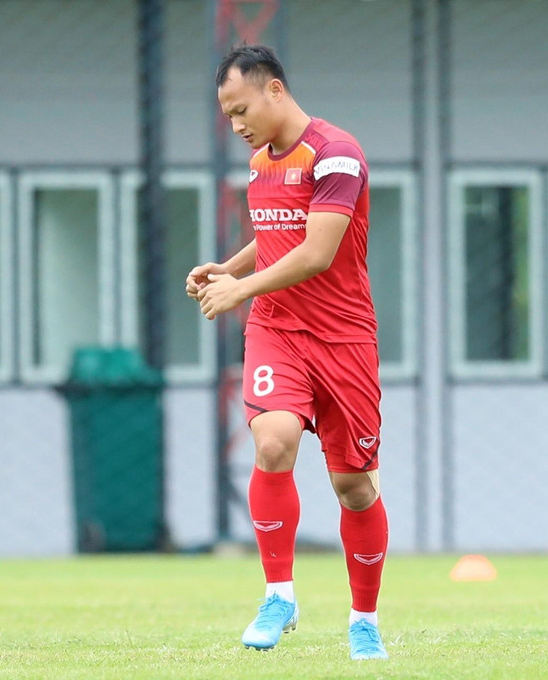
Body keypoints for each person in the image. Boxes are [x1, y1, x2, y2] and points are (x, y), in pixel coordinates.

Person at [187, 42, 389, 661]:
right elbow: (277, 235)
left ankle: (364, 621)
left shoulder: (337, 154)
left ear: (274, 89)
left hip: (344, 336)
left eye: (240, 110)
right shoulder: (260, 164)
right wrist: (232, 265)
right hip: (277, 328)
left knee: (353, 484)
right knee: (272, 440)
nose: (236, 125)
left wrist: (238, 289)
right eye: (227, 117)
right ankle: (280, 594)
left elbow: (316, 252)